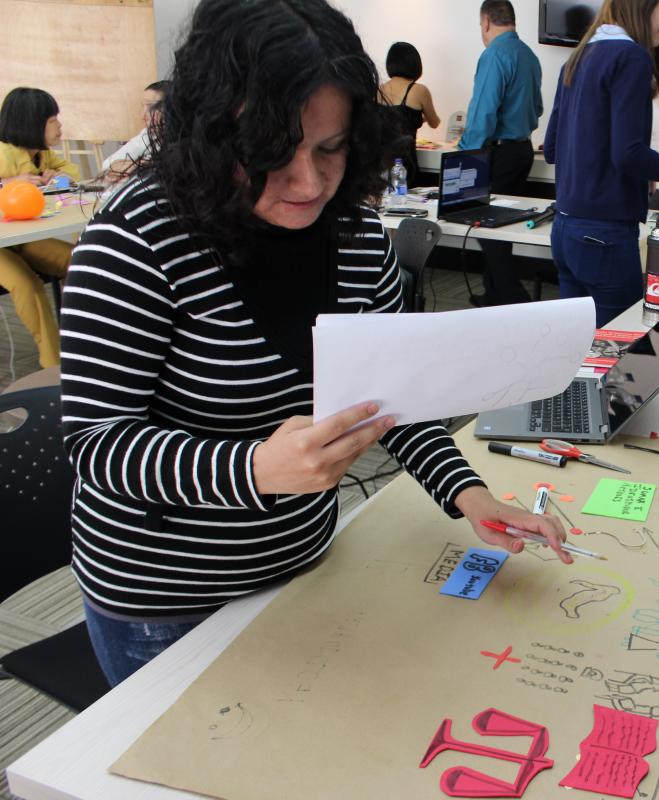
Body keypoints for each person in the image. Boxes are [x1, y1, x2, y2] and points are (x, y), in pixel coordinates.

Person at [59, 0, 571, 688]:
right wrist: (254, 471)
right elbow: (99, 442)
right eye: (270, 154)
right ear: (214, 135)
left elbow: (395, 399)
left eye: (330, 149)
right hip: (163, 601)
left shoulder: (357, 239)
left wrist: (470, 496)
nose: (308, 183)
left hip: (301, 568)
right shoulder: (137, 240)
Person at [544, 0, 659, 327]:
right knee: (624, 355)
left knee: (577, 350)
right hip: (603, 236)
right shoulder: (631, 57)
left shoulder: (577, 58)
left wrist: (637, 174)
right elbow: (627, 154)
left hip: (565, 231)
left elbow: (553, 148)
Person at [460, 0, 543, 307]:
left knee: (483, 227)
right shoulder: (529, 56)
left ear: (485, 22)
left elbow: (482, 115)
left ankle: (515, 299)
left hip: (497, 154)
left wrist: (464, 158)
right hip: (521, 151)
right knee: (500, 228)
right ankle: (494, 294)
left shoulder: (494, 55)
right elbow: (537, 109)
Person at [0, 87, 79, 369]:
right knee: (27, 285)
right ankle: (54, 365)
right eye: (52, 120)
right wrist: (4, 185)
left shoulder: (42, 155)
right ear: (30, 123)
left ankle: (86, 341)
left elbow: (73, 172)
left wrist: (58, 176)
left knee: (80, 262)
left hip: (24, 238)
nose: (59, 126)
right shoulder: (3, 154)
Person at [379, 42, 439, 186]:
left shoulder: (378, 90)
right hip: (406, 161)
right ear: (414, 64)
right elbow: (434, 122)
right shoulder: (419, 90)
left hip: (380, 161)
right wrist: (419, 119)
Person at [100, 80, 170, 182]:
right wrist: (144, 164)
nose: (143, 116)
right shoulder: (147, 135)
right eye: (143, 106)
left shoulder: (186, 140)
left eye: (151, 106)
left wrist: (136, 166)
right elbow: (107, 166)